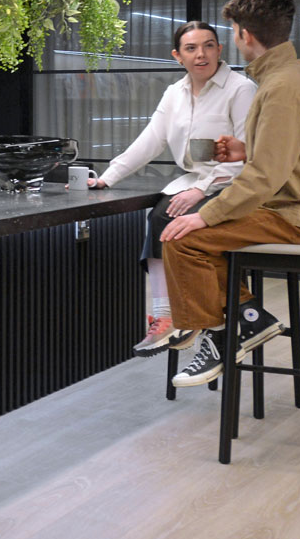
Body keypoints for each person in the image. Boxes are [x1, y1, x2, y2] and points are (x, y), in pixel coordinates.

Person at [161, 0, 300, 388]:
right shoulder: (287, 77)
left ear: (244, 35)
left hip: (295, 215)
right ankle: (248, 318)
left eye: (227, 34)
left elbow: (264, 177)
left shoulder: (281, 87)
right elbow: (288, 154)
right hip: (291, 207)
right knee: (194, 236)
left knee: (183, 239)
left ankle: (218, 338)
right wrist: (245, 149)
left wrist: (204, 214)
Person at [89, 21, 257, 356]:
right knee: (158, 217)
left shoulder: (241, 89)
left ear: (220, 50)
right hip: (193, 181)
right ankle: (170, 317)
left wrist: (202, 190)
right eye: (191, 49)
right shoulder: (174, 93)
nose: (201, 55)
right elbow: (149, 141)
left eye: (209, 46)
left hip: (235, 185)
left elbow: (248, 152)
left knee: (174, 222)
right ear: (177, 56)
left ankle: (209, 319)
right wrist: (109, 176)